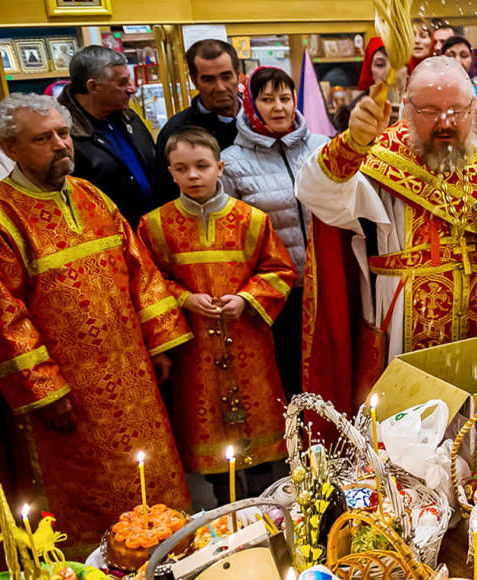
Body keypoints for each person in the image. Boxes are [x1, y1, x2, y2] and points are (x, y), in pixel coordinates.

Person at [295, 57, 477, 412]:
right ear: (406, 108)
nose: (444, 122)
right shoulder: (378, 155)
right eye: (429, 110)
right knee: (408, 435)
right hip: (405, 322)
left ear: (473, 107)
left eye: (456, 110)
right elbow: (316, 192)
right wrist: (351, 144)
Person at [0, 93, 192, 554]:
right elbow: (3, 314)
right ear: (10, 149)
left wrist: (160, 343)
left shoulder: (91, 196)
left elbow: (139, 271)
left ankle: (167, 555)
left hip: (132, 378)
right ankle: (98, 574)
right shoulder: (2, 217)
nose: (61, 145)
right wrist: (45, 389)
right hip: (70, 395)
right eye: (43, 139)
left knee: (150, 483)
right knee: (84, 495)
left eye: (63, 133)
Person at [138, 127, 297, 502]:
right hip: (195, 353)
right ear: (171, 172)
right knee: (213, 450)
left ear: (220, 167)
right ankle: (226, 518)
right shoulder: (154, 225)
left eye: (201, 166)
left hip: (249, 344)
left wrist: (246, 298)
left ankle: (267, 510)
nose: (193, 175)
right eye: (182, 168)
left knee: (259, 453)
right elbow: (147, 280)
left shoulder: (251, 220)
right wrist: (183, 298)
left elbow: (281, 271)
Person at [219, 67, 330, 398]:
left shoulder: (323, 146)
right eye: (267, 99)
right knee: (286, 374)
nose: (278, 107)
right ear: (251, 104)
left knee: (328, 368)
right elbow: (231, 234)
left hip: (323, 284)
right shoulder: (232, 162)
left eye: (284, 98)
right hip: (275, 292)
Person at [56, 45, 160, 227]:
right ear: (93, 86)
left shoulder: (130, 116)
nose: (132, 89)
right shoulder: (63, 136)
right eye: (123, 83)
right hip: (109, 241)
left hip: (151, 231)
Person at [154, 39, 242, 202]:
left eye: (226, 76)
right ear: (194, 81)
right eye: (208, 79)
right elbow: (166, 196)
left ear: (238, 74)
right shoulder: (176, 131)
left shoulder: (263, 122)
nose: (220, 87)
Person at [333, 36, 402, 133]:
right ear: (370, 71)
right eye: (380, 64)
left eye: (396, 64)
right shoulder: (354, 115)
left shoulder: (422, 106)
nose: (389, 72)